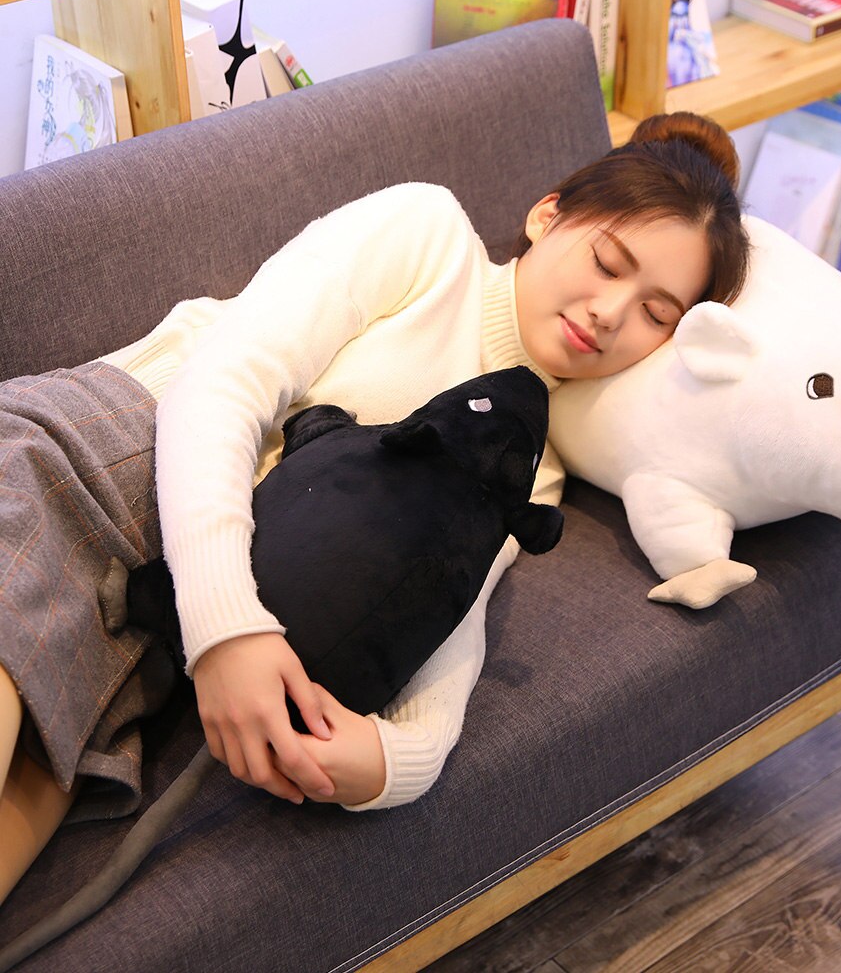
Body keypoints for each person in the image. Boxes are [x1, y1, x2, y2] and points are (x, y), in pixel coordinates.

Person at [0, 110, 749, 903]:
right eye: (607, 262)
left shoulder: (531, 471)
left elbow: (442, 620)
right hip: (94, 456)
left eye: (657, 313)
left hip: (145, 637)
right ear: (547, 215)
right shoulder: (430, 235)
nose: (610, 312)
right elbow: (220, 384)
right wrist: (227, 630)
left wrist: (400, 761)